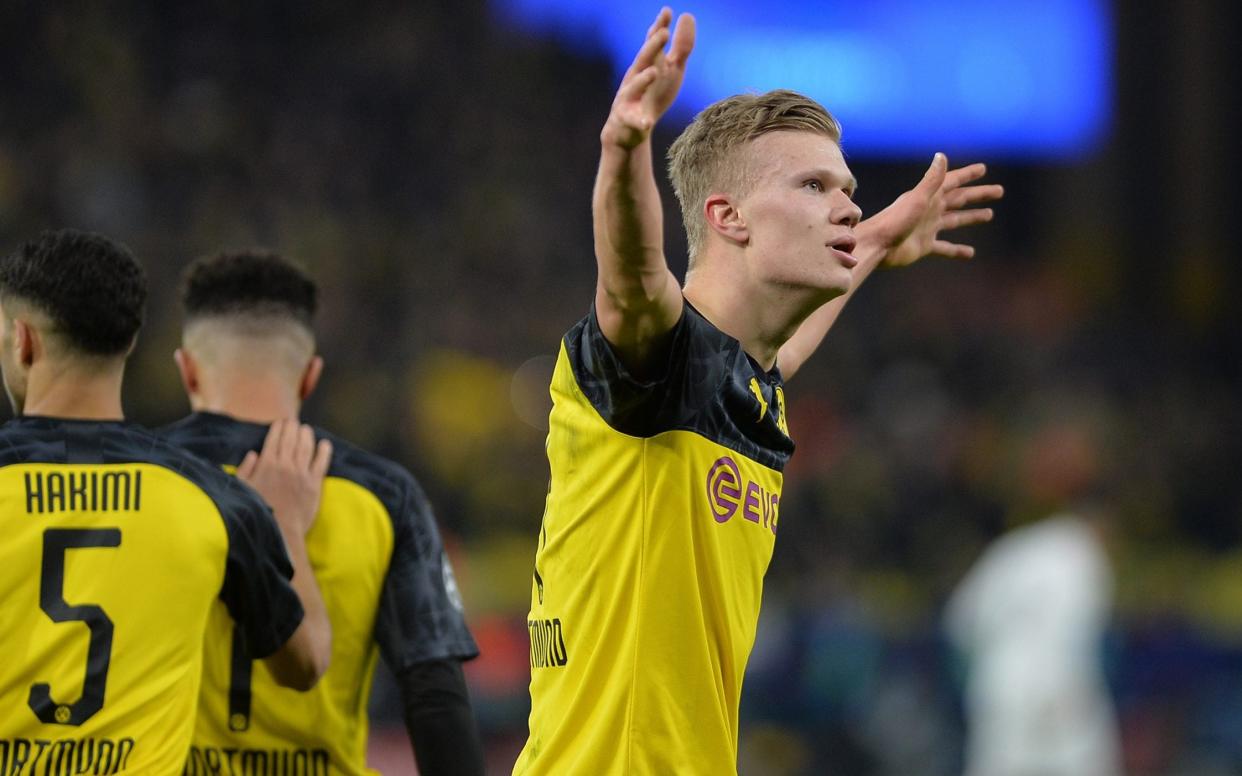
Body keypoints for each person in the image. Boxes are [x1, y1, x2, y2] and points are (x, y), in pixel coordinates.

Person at [513, 8, 1004, 774]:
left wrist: (875, 240)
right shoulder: (656, 365)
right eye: (814, 186)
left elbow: (779, 356)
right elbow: (637, 284)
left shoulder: (742, 387)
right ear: (727, 216)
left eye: (848, 189)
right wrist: (626, 146)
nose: (847, 204)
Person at [0, 229, 331, 774]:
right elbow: (305, 664)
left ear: (23, 341)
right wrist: (288, 525)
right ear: (130, 342)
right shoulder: (217, 499)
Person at [161, 250, 484, 775]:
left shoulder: (143, 480)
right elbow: (435, 697)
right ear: (310, 377)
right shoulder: (385, 494)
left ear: (188, 371)